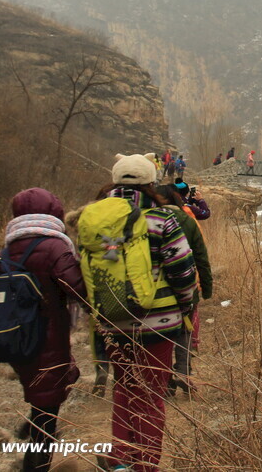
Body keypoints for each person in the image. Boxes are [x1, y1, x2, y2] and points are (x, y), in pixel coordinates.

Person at [0, 188, 85, 472]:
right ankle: (35, 463)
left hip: (18, 340)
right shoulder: (56, 247)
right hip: (49, 337)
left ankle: (34, 429)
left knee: (47, 391)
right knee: (48, 405)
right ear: (53, 212)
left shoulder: (5, 253)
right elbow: (78, 289)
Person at [86, 153, 197, 471]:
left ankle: (121, 459)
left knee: (124, 389)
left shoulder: (98, 219)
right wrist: (185, 307)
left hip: (113, 321)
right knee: (151, 397)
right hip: (158, 326)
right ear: (151, 183)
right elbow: (183, 272)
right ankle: (145, 465)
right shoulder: (162, 219)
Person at [156, 184, 213, 395]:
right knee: (186, 328)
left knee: (160, 334)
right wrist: (206, 288)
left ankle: (164, 380)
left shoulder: (145, 219)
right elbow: (201, 255)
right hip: (187, 283)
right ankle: (183, 370)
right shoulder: (187, 219)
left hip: (157, 288)